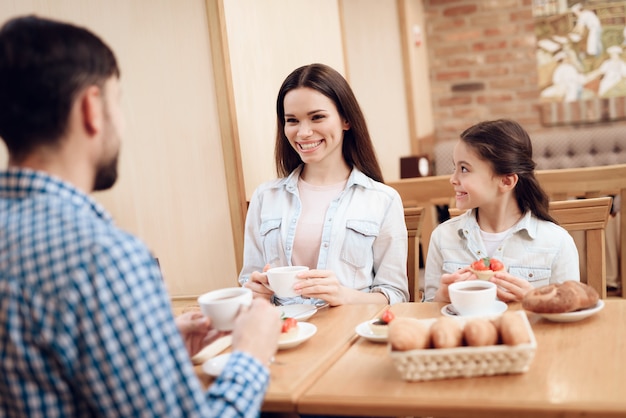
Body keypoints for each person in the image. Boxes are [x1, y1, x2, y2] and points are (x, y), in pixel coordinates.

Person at [0, 15, 281, 417]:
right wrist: (250, 356)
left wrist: (157, 351)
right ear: (91, 109)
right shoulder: (104, 258)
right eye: (118, 101)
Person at [238, 63, 409, 307]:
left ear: (346, 120)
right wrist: (255, 292)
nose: (304, 132)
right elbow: (248, 279)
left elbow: (396, 295)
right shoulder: (265, 197)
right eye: (292, 120)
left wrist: (344, 296)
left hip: (350, 334)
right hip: (283, 333)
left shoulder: (382, 199)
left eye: (317, 117)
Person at [424, 119, 580, 303]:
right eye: (454, 167)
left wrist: (537, 300)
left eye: (464, 169)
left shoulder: (558, 242)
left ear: (506, 182)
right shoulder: (442, 237)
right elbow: (428, 311)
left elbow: (569, 313)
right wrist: (440, 298)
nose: (453, 179)